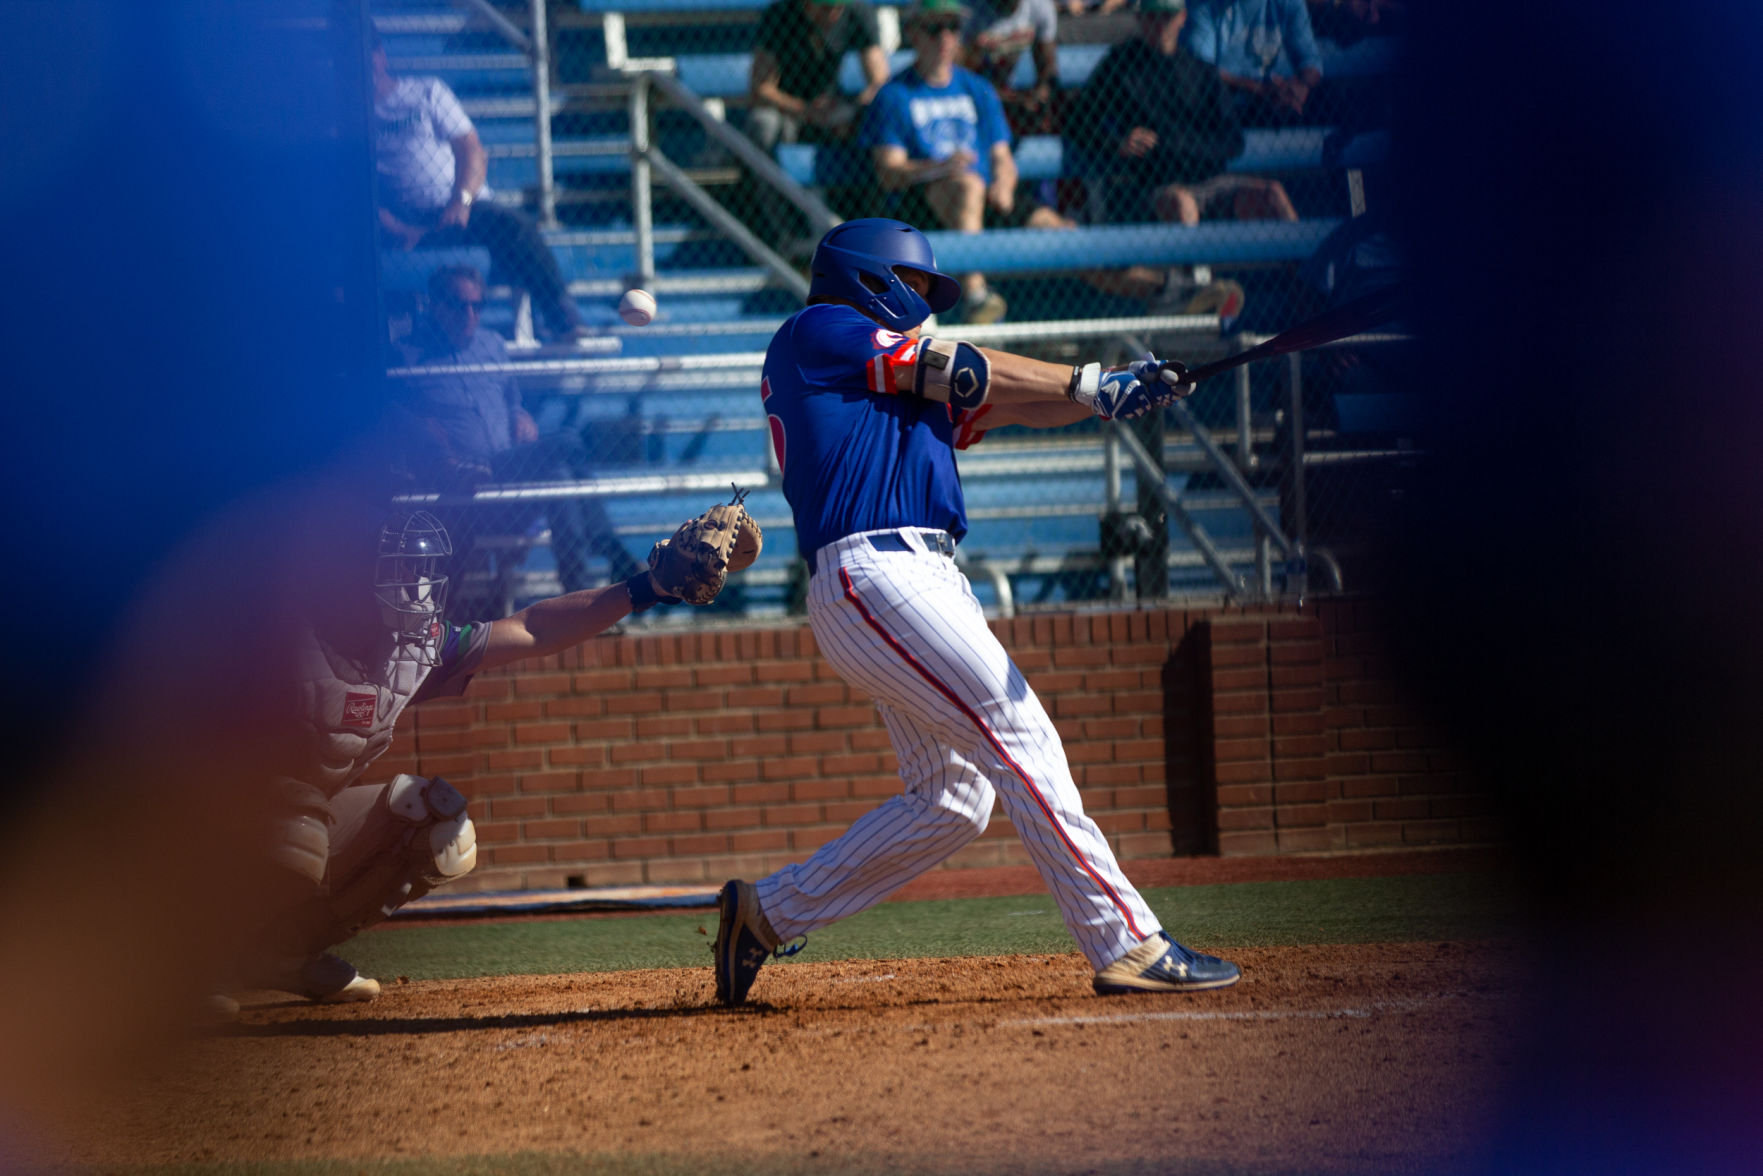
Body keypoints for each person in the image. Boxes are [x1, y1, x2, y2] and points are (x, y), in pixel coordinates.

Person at [713, 218, 1240, 1005]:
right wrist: (1091, 381)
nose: (924, 301)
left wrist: (1120, 393)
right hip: (877, 569)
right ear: (870, 277)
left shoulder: (886, 385)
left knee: (954, 800)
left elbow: (1006, 403)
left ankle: (766, 914)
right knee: (1019, 730)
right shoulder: (822, 330)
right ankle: (1126, 941)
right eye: (915, 285)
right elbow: (966, 368)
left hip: (905, 578)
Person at [222, 503, 713, 1011]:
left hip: (304, 818)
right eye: (400, 569)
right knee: (295, 818)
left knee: (438, 827)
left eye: (422, 570)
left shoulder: (413, 649)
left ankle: (282, 954)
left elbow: (534, 629)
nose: (417, 584)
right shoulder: (284, 637)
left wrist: (646, 588)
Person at [394, 265, 642, 599]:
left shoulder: (492, 345)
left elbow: (513, 400)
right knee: (567, 441)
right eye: (458, 305)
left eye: (477, 306)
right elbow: (403, 425)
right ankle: (610, 551)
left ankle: (578, 595)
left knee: (560, 478)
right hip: (465, 488)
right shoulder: (409, 356)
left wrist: (520, 414)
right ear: (435, 305)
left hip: (509, 481)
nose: (469, 314)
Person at [1065, 0, 1298, 313]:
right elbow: (1078, 121)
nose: (1160, 23)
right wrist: (1117, 142)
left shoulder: (1198, 68)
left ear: (1182, 18)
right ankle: (1202, 296)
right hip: (1152, 188)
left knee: (1272, 195)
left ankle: (1309, 290)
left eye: (1167, 15)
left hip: (1210, 180)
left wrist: (1178, 146)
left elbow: (1232, 142)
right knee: (1181, 203)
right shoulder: (1121, 65)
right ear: (1139, 18)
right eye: (1152, 16)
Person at [859, 0, 1077, 325]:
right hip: (924, 203)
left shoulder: (978, 88)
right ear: (914, 34)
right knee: (967, 184)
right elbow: (890, 172)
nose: (945, 38)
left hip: (987, 199)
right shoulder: (894, 95)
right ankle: (975, 295)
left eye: (953, 28)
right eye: (935, 29)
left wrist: (1004, 186)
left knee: (1063, 231)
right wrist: (940, 167)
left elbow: (1002, 157)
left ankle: (1163, 291)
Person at [370, 31, 590, 343]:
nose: (368, 64)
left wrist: (460, 201)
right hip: (400, 225)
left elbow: (471, 150)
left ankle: (561, 319)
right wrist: (397, 228)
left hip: (460, 213)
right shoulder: (349, 120)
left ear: (382, 54)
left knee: (514, 226)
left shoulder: (426, 92)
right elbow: (351, 187)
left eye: (372, 52)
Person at [748, 0, 889, 154]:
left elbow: (880, 82)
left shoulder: (857, 11)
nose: (833, 15)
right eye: (825, 8)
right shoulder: (779, 15)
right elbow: (761, 90)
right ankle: (766, 178)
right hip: (788, 112)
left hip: (833, 109)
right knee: (765, 124)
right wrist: (806, 111)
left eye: (838, 7)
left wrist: (857, 106)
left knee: (883, 113)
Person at [1181, 0, 1325, 125]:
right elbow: (1201, 68)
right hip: (1218, 101)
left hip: (1269, 101)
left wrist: (1300, 86)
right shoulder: (1204, 5)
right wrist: (1259, 90)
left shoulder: (1288, 2)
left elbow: (1310, 60)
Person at [961, 0, 1062, 136]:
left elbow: (1048, 67)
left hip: (1007, 92)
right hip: (974, 96)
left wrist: (1039, 94)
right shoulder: (967, 10)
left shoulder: (1040, 6)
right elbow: (959, 77)